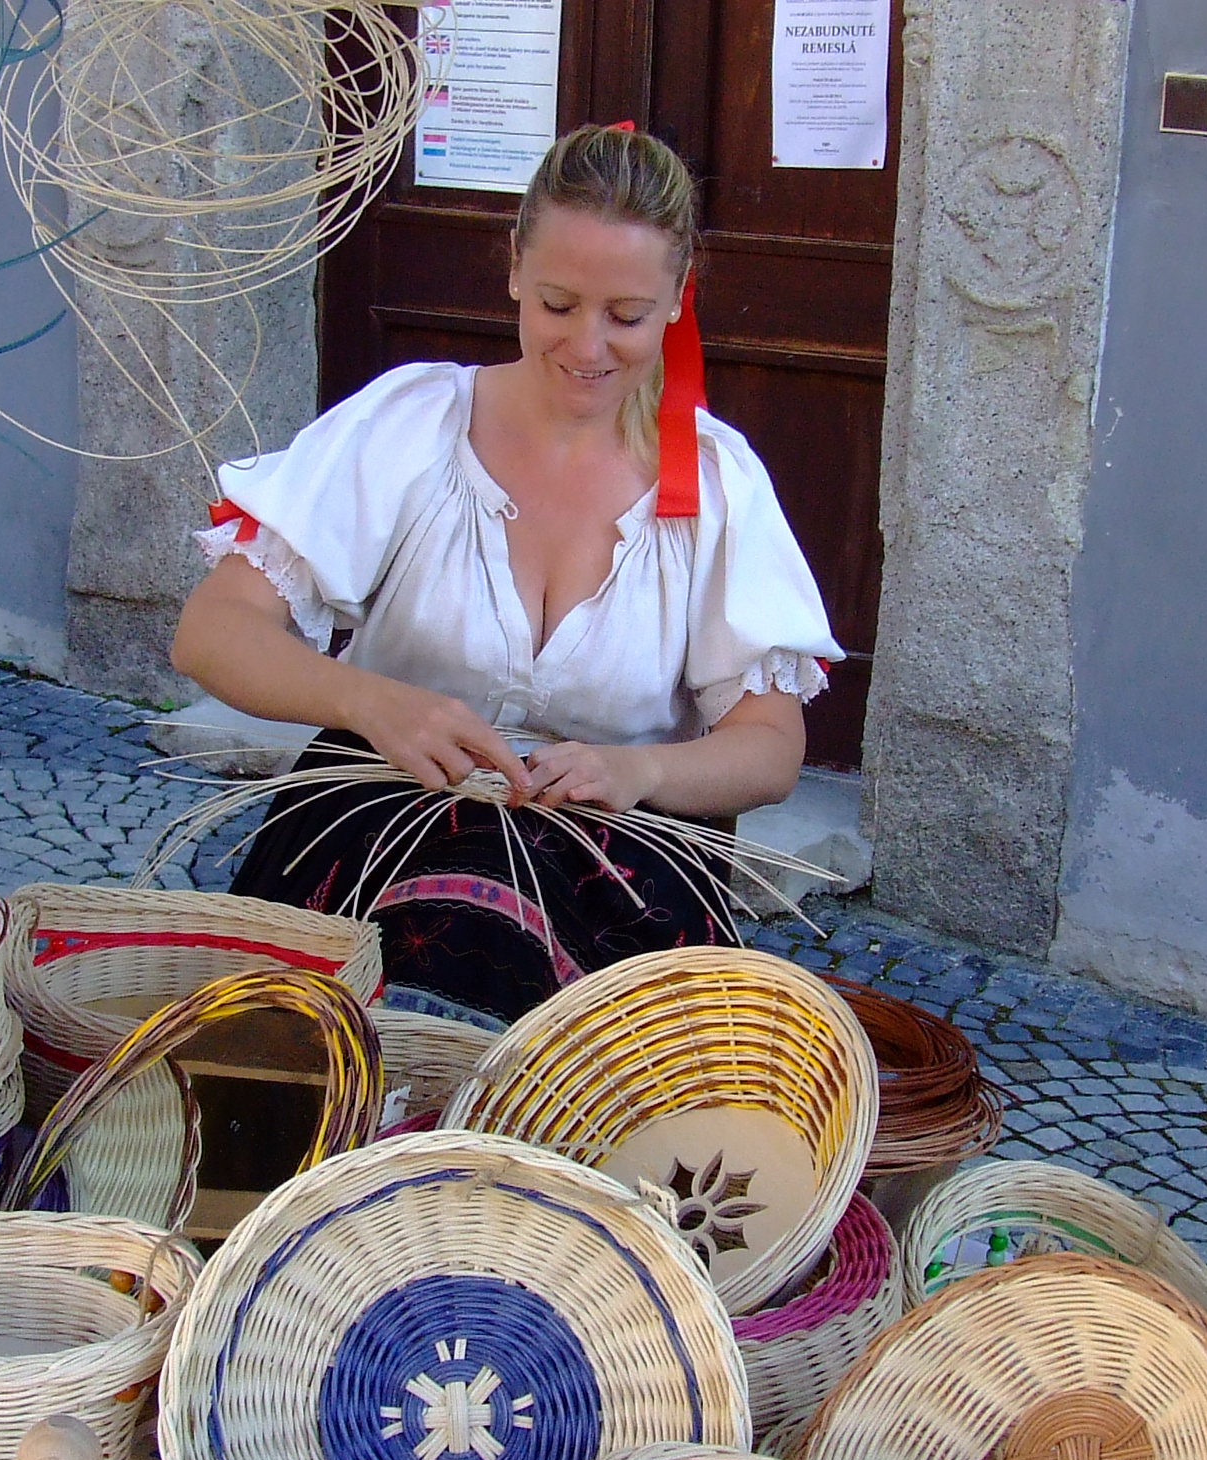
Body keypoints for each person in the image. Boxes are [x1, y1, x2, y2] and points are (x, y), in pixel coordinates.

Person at [171, 123, 842, 1028]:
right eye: (559, 303)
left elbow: (771, 747)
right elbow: (214, 633)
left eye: (627, 315)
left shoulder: (718, 485)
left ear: (679, 299)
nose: (588, 345)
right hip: (381, 836)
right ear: (514, 269)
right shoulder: (413, 426)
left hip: (613, 882)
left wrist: (636, 768)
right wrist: (371, 703)